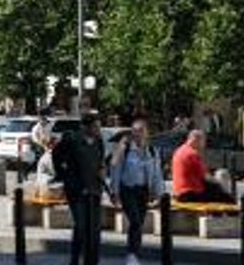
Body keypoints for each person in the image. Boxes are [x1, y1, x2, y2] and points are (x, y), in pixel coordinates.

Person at [108, 118, 164, 265]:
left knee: (139, 223)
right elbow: (115, 169)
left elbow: (157, 173)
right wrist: (114, 191)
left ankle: (134, 254)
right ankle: (132, 254)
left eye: (141, 131)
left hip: (143, 191)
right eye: (135, 131)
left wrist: (158, 193)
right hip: (128, 190)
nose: (138, 134)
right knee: (135, 220)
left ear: (147, 133)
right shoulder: (125, 149)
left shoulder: (152, 151)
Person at [53, 114, 105, 265]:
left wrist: (102, 170)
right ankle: (75, 260)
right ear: (86, 127)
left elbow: (100, 161)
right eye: (96, 127)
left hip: (94, 189)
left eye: (99, 127)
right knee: (81, 227)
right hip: (76, 191)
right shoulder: (72, 139)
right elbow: (56, 155)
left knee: (94, 230)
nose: (98, 130)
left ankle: (92, 261)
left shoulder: (98, 142)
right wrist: (63, 175)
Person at [172, 130, 234, 204]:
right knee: (227, 199)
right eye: (203, 141)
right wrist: (219, 181)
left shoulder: (179, 151)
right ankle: (234, 215)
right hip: (191, 193)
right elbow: (206, 177)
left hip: (179, 193)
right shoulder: (192, 154)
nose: (204, 145)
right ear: (197, 140)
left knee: (216, 192)